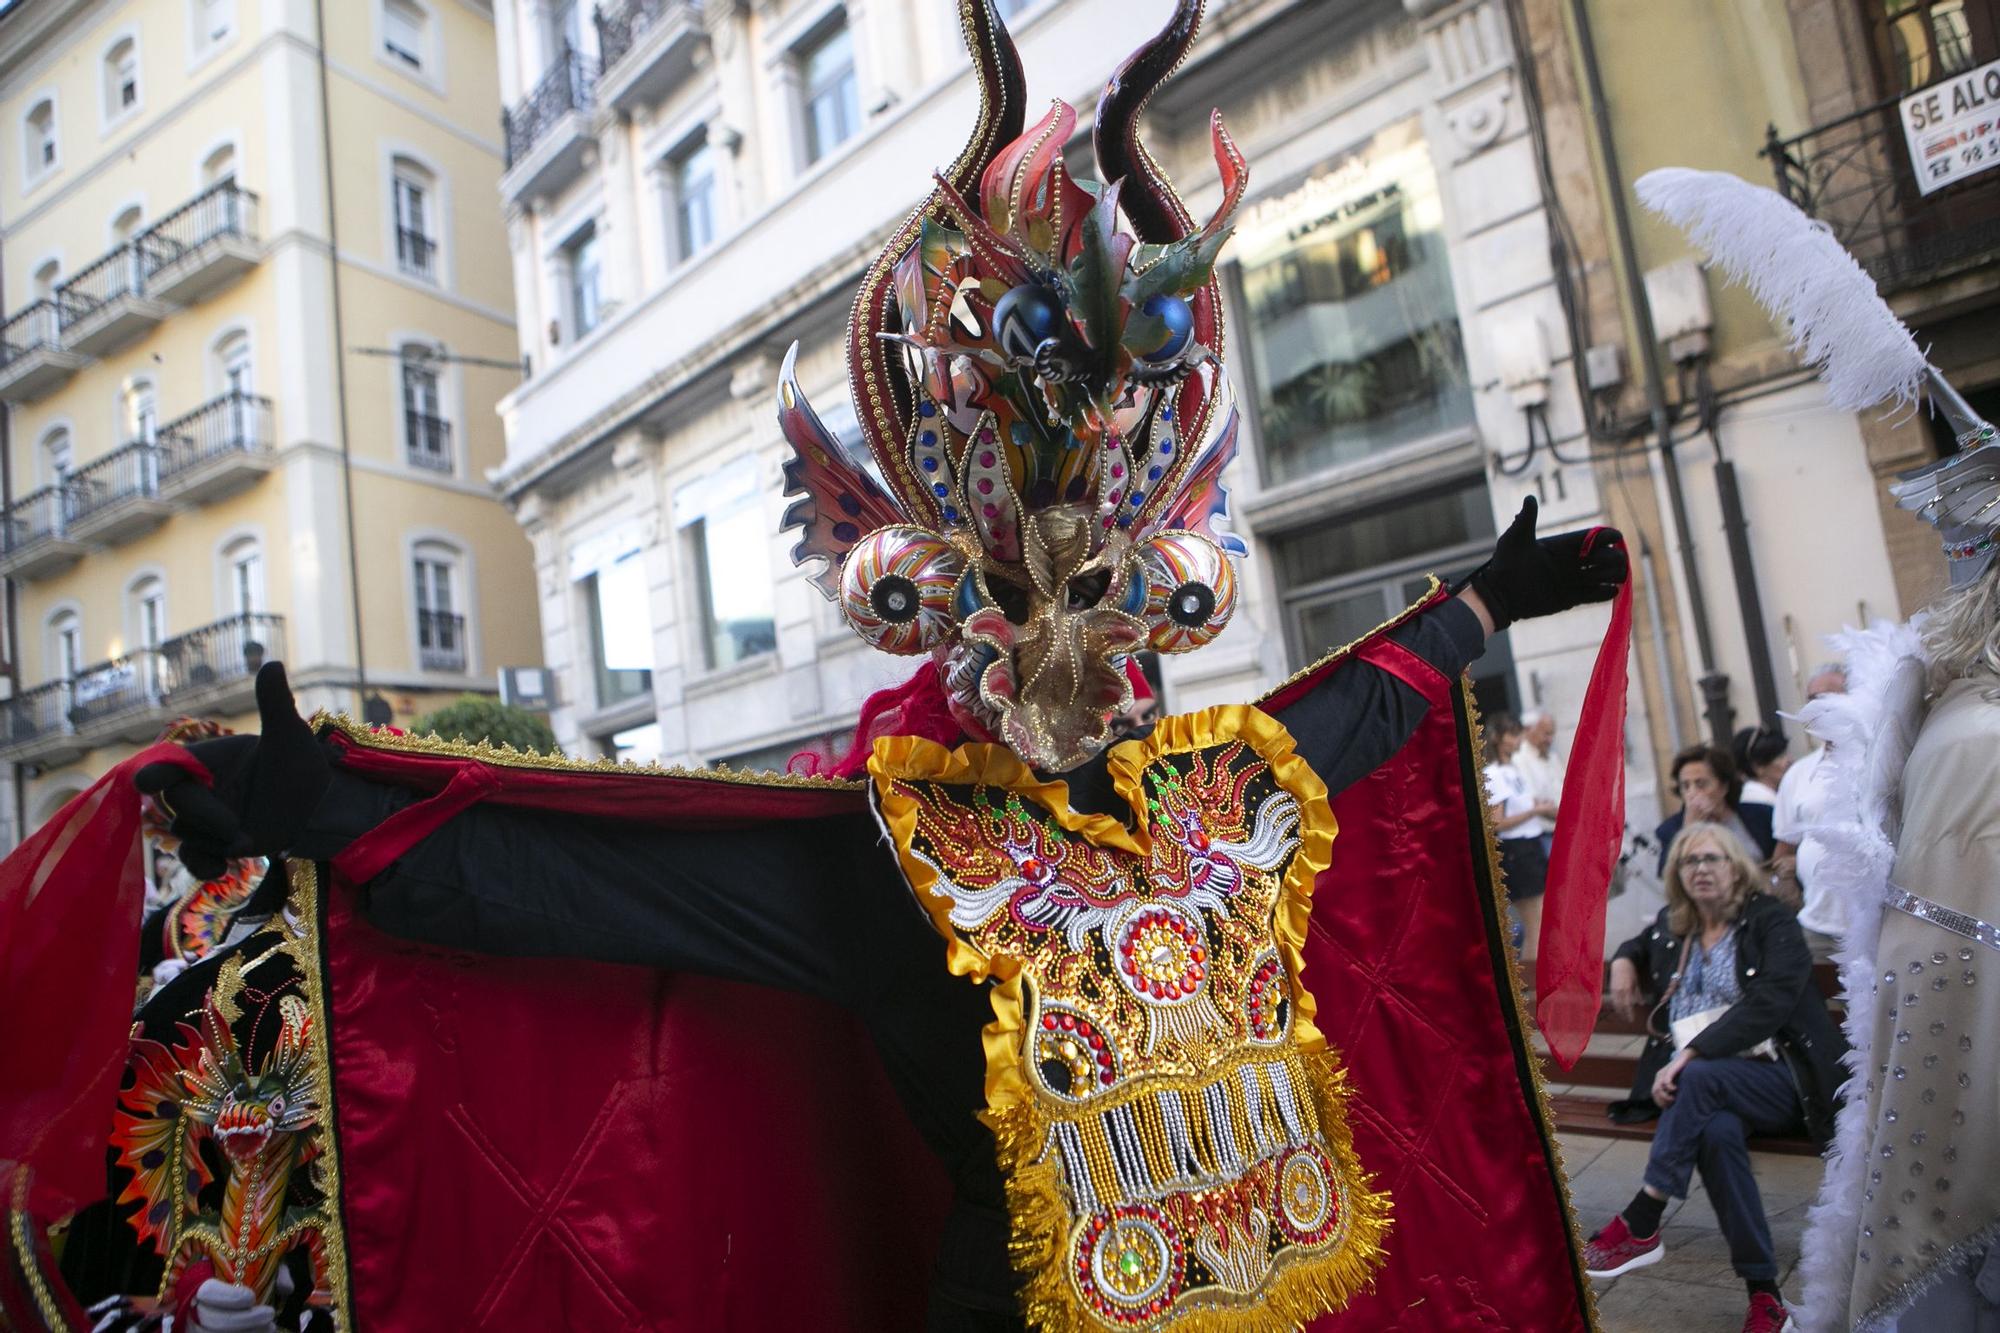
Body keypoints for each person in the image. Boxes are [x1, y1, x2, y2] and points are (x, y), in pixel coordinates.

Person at [0, 5, 1632, 1327]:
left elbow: (1344, 712)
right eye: (1039, 600)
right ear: (962, 616)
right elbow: (597, 884)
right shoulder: (898, 859)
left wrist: (1483, 600)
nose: (1087, 650)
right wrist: (337, 805)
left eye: (1117, 608)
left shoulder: (1226, 793)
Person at [1591, 824, 1845, 1333]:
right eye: (1689, 862)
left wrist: (1691, 1055)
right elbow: (1640, 941)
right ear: (1677, 875)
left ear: (1736, 866)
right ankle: (1765, 1297)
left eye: (1713, 859)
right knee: (1716, 1132)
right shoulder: (1674, 925)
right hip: (1707, 1089)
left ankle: (1644, 1217)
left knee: (1701, 1079)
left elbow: (1772, 1001)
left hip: (1781, 1080)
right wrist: (1623, 959)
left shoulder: (1771, 921)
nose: (1701, 869)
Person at [1770, 665, 1847, 963]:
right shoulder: (1798, 774)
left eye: (1829, 697)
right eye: (1812, 699)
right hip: (1817, 925)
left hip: (1881, 924)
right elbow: (1783, 849)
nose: (1819, 707)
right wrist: (1787, 879)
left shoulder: (1883, 765)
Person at [1483, 712, 1557, 965]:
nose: (1517, 740)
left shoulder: (1511, 770)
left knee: (1543, 919)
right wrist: (1535, 811)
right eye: (1512, 735)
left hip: (1530, 845)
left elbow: (1520, 804)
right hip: (1517, 849)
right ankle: (1532, 986)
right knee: (1534, 923)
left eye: (1518, 734)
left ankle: (1539, 979)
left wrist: (1538, 806)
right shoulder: (1493, 774)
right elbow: (1497, 822)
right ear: (1498, 739)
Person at [1653, 744, 1776, 877]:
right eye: (1686, 786)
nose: (1692, 793)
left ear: (1724, 786)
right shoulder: (1671, 829)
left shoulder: (1761, 814)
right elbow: (1667, 874)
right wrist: (1689, 830)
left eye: (1701, 784)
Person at [1514, 708, 1564, 857]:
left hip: (1564, 832)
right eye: (1546, 734)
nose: (1550, 739)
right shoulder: (1520, 759)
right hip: (1545, 836)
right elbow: (1533, 802)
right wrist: (1569, 818)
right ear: (1529, 730)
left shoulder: (1552, 757)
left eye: (1552, 734)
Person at [1731, 724, 1790, 807]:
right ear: (1757, 766)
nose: (1789, 760)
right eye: (1780, 757)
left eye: (1785, 754)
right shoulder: (1760, 805)